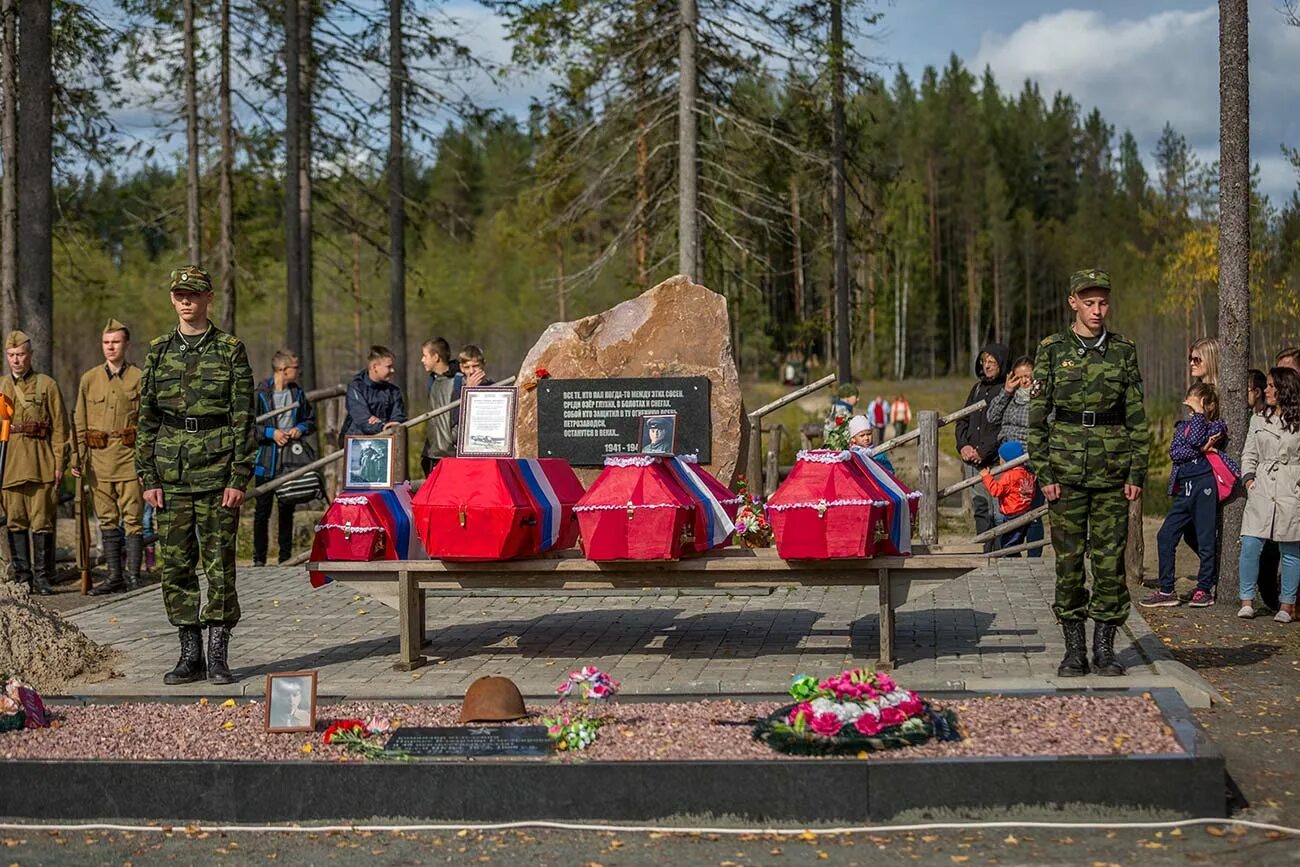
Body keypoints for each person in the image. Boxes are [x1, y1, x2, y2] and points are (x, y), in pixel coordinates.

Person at [136, 266, 256, 686]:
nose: (187, 301)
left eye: (194, 294)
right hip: (170, 473)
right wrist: (147, 476)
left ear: (208, 299)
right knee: (175, 566)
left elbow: (245, 417)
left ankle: (218, 651)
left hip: (216, 470)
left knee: (220, 564)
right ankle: (190, 652)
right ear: (173, 299)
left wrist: (239, 476)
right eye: (180, 294)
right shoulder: (158, 350)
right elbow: (146, 418)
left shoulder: (229, 349)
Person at [1028, 268, 1148, 678]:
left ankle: (1105, 648)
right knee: (1068, 562)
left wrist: (1137, 471)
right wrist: (1044, 473)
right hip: (1065, 472)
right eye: (1090, 302)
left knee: (1110, 562)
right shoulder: (1051, 349)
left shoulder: (1122, 350)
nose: (1098, 310)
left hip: (1112, 472)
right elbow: (1037, 421)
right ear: (1073, 302)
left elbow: (1136, 416)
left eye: (1103, 302)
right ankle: (1074, 648)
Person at [1144, 384, 1234, 609]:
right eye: (1189, 399)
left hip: (1204, 486)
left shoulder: (1216, 425)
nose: (1190, 403)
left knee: (1205, 539)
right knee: (1165, 535)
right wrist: (1201, 448)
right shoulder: (1183, 426)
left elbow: (1194, 441)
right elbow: (1175, 452)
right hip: (1184, 488)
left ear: (1207, 405)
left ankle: (1204, 589)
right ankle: (1167, 590)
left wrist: (1200, 417)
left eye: (1195, 400)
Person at [74, 319, 145, 595]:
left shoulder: (138, 377)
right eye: (106, 342)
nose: (110, 347)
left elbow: (148, 421)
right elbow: (79, 421)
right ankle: (115, 576)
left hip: (129, 457)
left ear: (126, 344)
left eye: (115, 342)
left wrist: (146, 460)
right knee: (107, 518)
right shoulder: (89, 379)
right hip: (98, 460)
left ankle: (134, 576)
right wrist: (77, 458)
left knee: (133, 518)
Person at [1, 331, 70, 596]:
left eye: (20, 354)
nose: (16, 360)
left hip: (42, 464)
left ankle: (42, 579)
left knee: (42, 523)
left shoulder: (47, 385)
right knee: (16, 521)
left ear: (30, 355)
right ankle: (22, 577)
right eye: (11, 355)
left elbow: (61, 428)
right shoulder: (1, 387)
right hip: (10, 467)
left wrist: (59, 464)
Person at [1237, 367, 1300, 622]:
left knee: (1291, 548)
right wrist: (1249, 479)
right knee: (1250, 544)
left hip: (1291, 488)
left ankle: (1286, 605)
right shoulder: (1258, 419)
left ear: (1285, 389)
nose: (1266, 390)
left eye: (1272, 385)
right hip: (1262, 486)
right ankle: (1246, 600)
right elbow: (1249, 452)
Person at [252, 350, 316, 566]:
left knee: (287, 508)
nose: (298, 372)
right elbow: (249, 427)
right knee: (262, 510)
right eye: (295, 368)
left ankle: (285, 558)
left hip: (291, 461)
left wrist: (300, 428)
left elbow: (310, 420)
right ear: (282, 370)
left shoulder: (298, 393)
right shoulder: (260, 393)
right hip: (267, 462)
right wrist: (271, 434)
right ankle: (259, 559)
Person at [955, 342, 1009, 547]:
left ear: (1001, 364)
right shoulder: (976, 388)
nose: (986, 366)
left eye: (992, 362)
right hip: (973, 462)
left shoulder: (1006, 390)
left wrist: (982, 451)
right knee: (980, 509)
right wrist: (963, 446)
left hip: (995, 461)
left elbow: (1003, 427)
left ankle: (1002, 555)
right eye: (984, 361)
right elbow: (963, 420)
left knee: (999, 511)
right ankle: (985, 552)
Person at [340, 345, 406, 442]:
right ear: (375, 367)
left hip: (385, 443)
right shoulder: (356, 388)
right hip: (358, 443)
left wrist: (392, 424)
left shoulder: (394, 391)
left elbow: (398, 415)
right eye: (389, 367)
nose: (392, 370)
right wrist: (383, 426)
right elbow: (362, 418)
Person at [980, 441, 1036, 550]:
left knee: (1008, 543)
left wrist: (986, 477)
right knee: (1017, 541)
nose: (1000, 462)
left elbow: (995, 491)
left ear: (1008, 460)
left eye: (1001, 459)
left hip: (1012, 514)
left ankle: (1011, 560)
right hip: (1025, 510)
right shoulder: (1027, 474)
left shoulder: (1009, 476)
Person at [419, 337, 461, 476]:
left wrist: (451, 439)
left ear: (436, 357)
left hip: (450, 453)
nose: (422, 360)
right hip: (432, 452)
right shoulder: (432, 380)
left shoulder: (459, 380)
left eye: (425, 356)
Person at [985, 355, 1034, 448]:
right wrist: (1006, 392)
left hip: (1027, 455)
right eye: (1019, 378)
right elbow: (992, 417)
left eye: (1027, 376)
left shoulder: (1041, 399)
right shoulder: (1010, 398)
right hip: (1005, 453)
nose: (1023, 381)